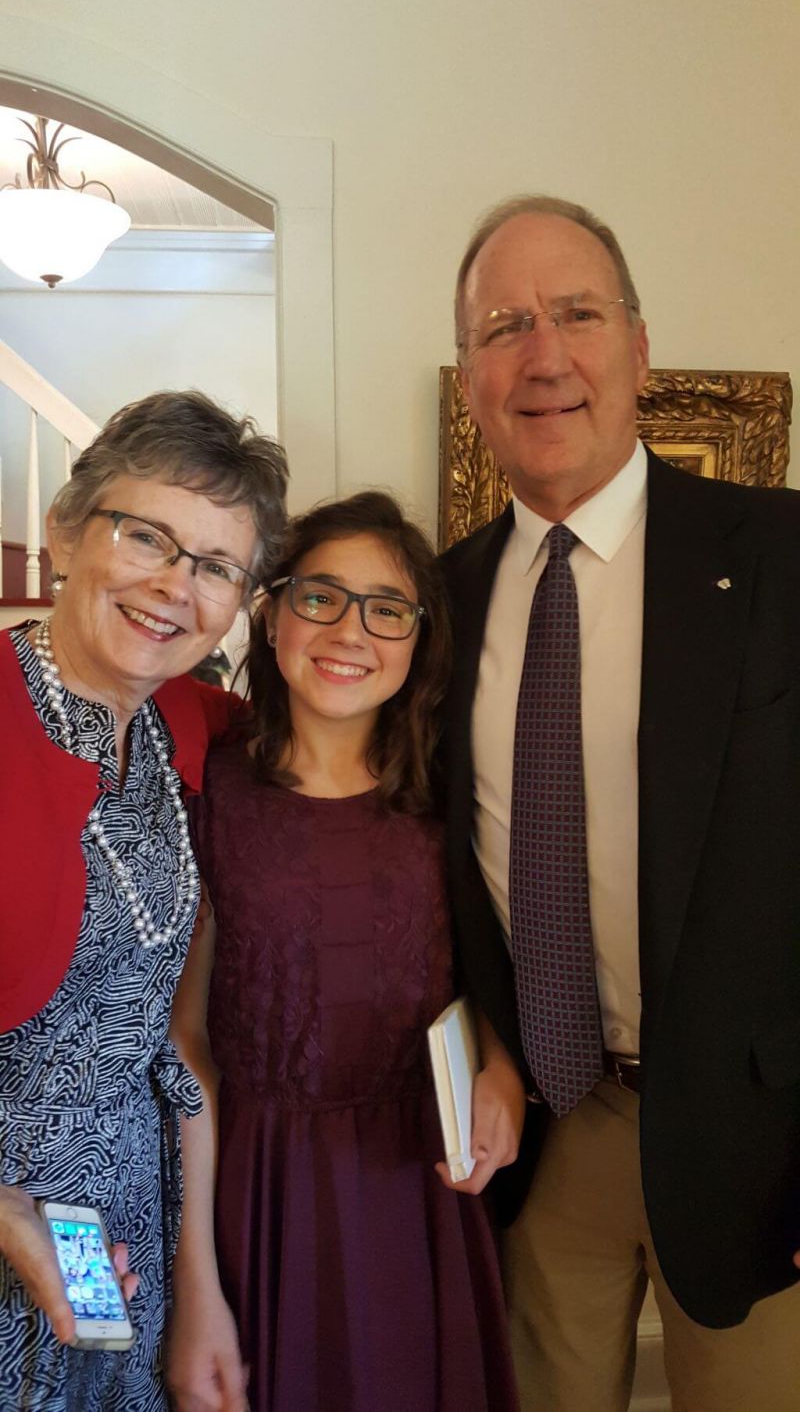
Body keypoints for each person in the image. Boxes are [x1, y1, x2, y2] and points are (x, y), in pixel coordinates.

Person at [440, 195, 800, 1411]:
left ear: (639, 351)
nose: (543, 355)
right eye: (504, 326)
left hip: (762, 1141)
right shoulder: (428, 607)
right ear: (469, 375)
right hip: (544, 1135)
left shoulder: (780, 558)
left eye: (576, 314)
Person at [168, 490, 524, 1412]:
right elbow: (187, 1045)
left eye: (387, 608)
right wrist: (197, 1274)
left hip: (420, 1186)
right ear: (273, 610)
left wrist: (499, 1063)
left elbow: (491, 964)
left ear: (419, 641)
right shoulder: (210, 790)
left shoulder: (452, 796)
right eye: (321, 595)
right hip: (260, 1184)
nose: (351, 630)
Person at [0, 389, 287, 1411]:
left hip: (124, 1224)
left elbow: (180, 1041)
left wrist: (200, 1289)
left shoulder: (194, 727)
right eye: (147, 537)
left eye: (215, 566)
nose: (175, 586)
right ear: (67, 531)